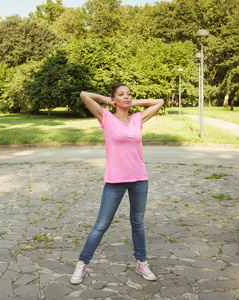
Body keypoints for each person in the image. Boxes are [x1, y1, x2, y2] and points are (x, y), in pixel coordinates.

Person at [70, 83, 164, 284]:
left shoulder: (137, 119)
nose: (127, 96)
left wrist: (131, 102)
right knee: (101, 224)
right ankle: (82, 264)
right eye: (121, 94)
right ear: (113, 100)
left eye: (129, 94)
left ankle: (142, 262)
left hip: (139, 178)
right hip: (115, 180)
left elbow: (160, 102)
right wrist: (108, 100)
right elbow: (84, 94)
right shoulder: (106, 118)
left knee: (137, 223)